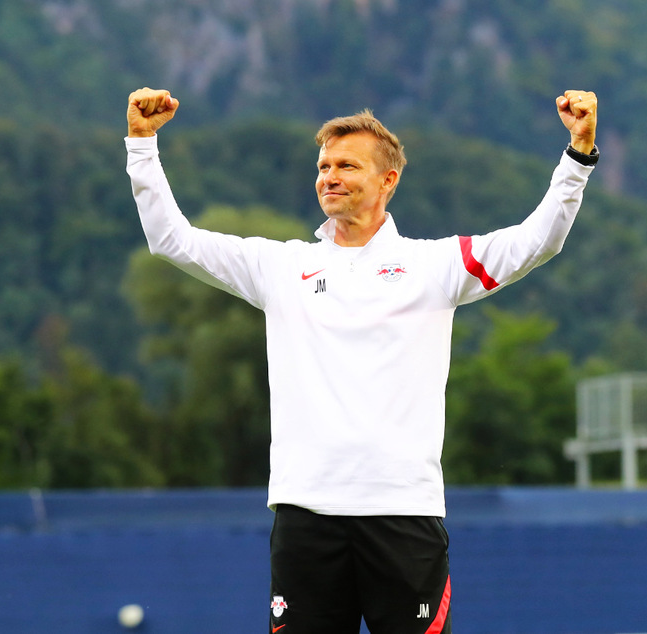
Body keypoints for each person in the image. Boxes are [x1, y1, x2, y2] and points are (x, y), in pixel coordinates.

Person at [125, 87, 598, 633]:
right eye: (324, 165)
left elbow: (537, 241)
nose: (330, 175)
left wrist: (578, 155)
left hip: (403, 515)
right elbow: (170, 239)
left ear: (388, 181)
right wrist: (142, 144)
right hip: (306, 515)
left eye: (347, 165)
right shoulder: (280, 266)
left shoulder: (435, 265)